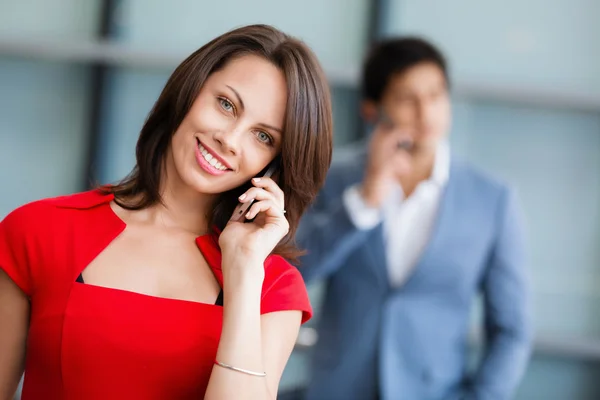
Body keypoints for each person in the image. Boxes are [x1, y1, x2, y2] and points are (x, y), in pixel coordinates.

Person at [0, 24, 333, 400]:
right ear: (189, 91)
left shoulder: (273, 287)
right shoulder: (40, 230)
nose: (230, 138)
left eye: (263, 137)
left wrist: (242, 272)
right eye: (226, 104)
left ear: (276, 165)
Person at [296, 37, 532, 400]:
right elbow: (294, 271)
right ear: (372, 110)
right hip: (337, 389)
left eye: (436, 95)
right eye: (407, 98)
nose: (426, 112)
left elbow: (511, 329)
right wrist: (364, 202)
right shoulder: (333, 177)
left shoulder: (493, 200)